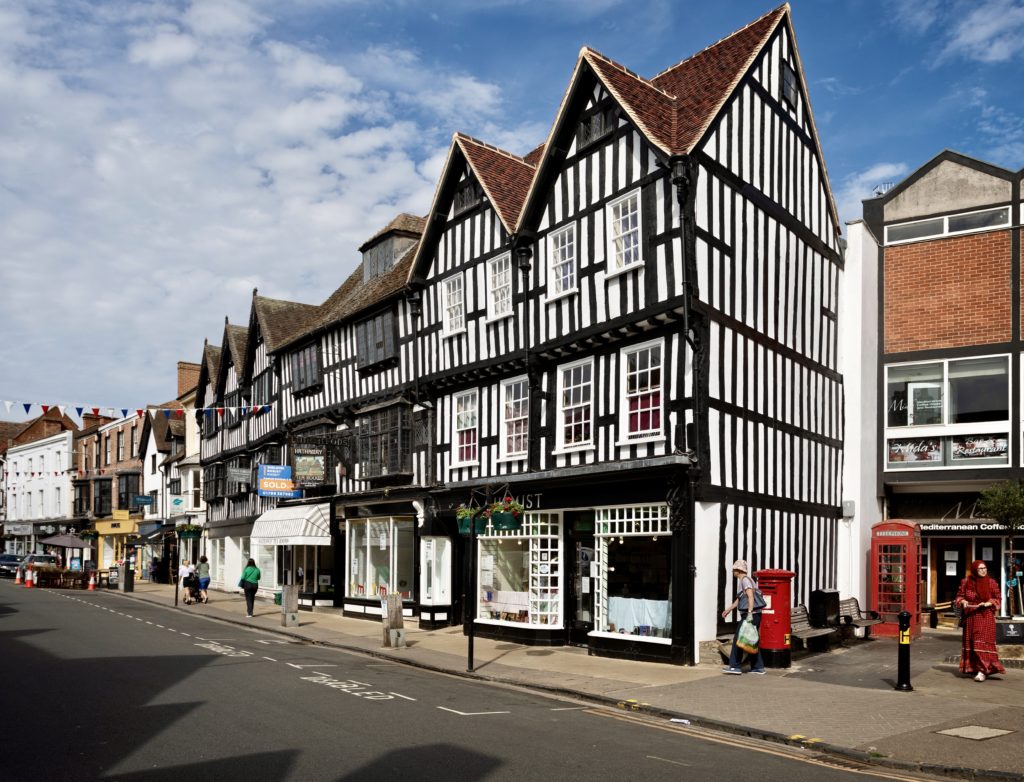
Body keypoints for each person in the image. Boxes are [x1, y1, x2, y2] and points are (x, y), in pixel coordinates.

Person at [955, 560, 1005, 682]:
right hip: (971, 617)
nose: (983, 570)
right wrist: (963, 602)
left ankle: (983, 670)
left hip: (985, 617)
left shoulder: (991, 583)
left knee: (980, 642)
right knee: (972, 643)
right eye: (980, 569)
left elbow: (998, 599)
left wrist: (987, 603)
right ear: (974, 570)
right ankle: (974, 668)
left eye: (985, 568)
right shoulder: (966, 582)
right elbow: (959, 597)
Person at [721, 559, 766, 675]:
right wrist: (728, 610)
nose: (732, 572)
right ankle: (758, 667)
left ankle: (734, 666)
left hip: (750, 615)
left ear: (738, 570)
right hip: (753, 614)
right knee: (750, 640)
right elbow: (740, 599)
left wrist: (750, 613)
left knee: (739, 639)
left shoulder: (745, 581)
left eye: (733, 570)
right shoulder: (745, 580)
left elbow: (750, 597)